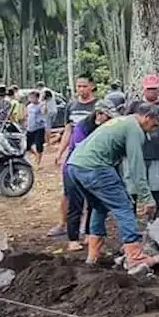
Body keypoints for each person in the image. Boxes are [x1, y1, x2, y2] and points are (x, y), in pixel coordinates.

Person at [66, 102, 159, 270]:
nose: (155, 128)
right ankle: (135, 256)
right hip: (95, 167)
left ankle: (93, 255)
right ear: (147, 117)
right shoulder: (135, 129)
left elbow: (116, 159)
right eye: (155, 124)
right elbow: (136, 166)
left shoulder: (122, 121)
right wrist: (147, 198)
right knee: (124, 206)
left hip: (75, 166)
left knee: (99, 206)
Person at [60, 99, 114, 250]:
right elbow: (80, 148)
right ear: (99, 114)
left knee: (93, 202)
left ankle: (90, 234)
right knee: (75, 203)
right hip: (74, 168)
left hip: (93, 169)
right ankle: (73, 238)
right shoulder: (82, 126)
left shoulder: (105, 128)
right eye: (107, 117)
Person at [125, 73, 159, 216]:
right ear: (143, 90)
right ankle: (131, 219)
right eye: (148, 89)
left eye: (154, 89)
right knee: (132, 189)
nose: (151, 92)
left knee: (157, 188)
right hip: (136, 154)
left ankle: (154, 219)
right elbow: (125, 126)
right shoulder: (135, 106)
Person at [51, 75, 99, 236]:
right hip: (73, 153)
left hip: (92, 154)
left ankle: (88, 229)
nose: (81, 90)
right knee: (68, 191)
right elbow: (68, 130)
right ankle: (62, 223)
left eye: (84, 86)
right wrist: (60, 152)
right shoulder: (71, 106)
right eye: (78, 86)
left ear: (92, 86)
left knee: (90, 193)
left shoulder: (98, 106)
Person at [25, 89, 49, 166]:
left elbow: (44, 112)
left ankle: (38, 162)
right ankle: (35, 155)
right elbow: (27, 116)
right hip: (30, 128)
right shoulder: (29, 106)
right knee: (27, 146)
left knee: (39, 145)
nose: (31, 99)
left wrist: (44, 103)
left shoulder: (40, 105)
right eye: (30, 97)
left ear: (37, 98)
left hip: (39, 128)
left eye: (33, 97)